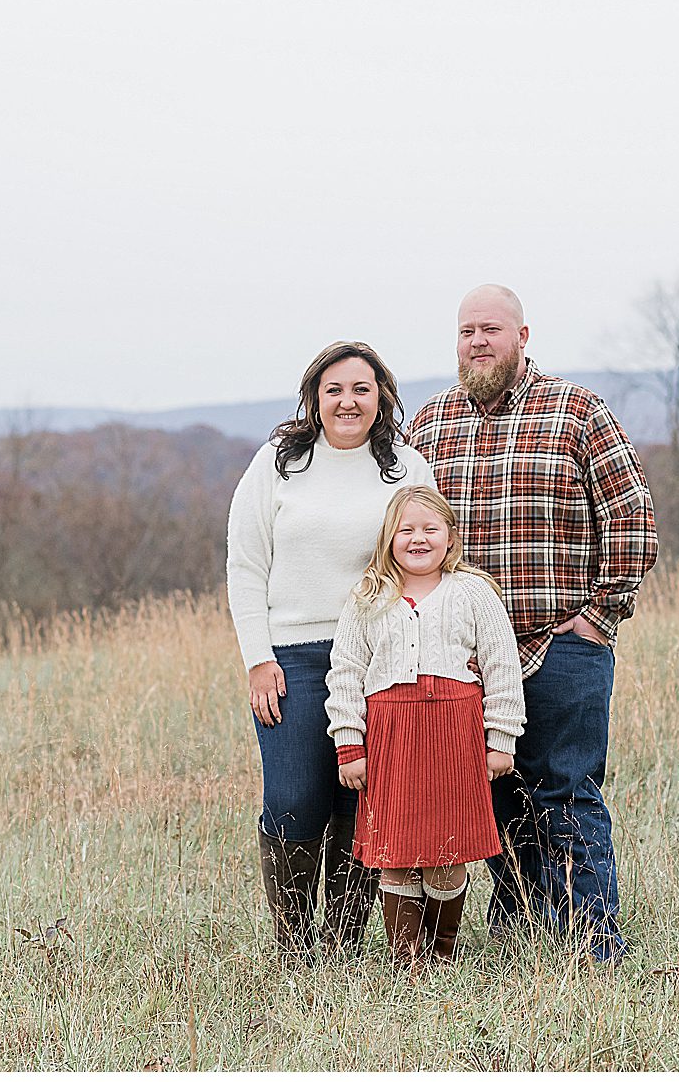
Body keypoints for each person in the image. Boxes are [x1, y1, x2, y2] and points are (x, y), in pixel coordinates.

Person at [408, 284, 658, 964]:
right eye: (466, 331)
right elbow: (403, 533)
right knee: (495, 797)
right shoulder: (427, 426)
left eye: (491, 328)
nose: (477, 341)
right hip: (465, 659)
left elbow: (632, 519)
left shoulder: (578, 411)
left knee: (566, 790)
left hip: (562, 644)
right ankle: (522, 923)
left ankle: (594, 942)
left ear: (523, 335)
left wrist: (599, 617)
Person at [226, 341, 436, 960]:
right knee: (294, 801)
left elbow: (430, 558)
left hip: (382, 657)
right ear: (315, 399)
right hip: (292, 656)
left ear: (382, 397)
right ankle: (296, 949)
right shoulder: (277, 465)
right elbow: (245, 566)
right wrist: (257, 658)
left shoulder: (406, 468)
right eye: (334, 390)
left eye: (361, 389)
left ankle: (344, 946)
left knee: (362, 799)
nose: (348, 401)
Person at [324, 486, 525, 967]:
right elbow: (346, 670)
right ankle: (407, 961)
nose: (418, 539)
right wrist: (349, 744)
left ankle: (442, 953)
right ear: (388, 539)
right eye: (406, 530)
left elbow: (502, 666)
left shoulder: (474, 592)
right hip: (391, 737)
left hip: (454, 735)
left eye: (430, 529)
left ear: (450, 538)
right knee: (396, 848)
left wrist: (500, 739)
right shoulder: (369, 596)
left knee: (447, 849)